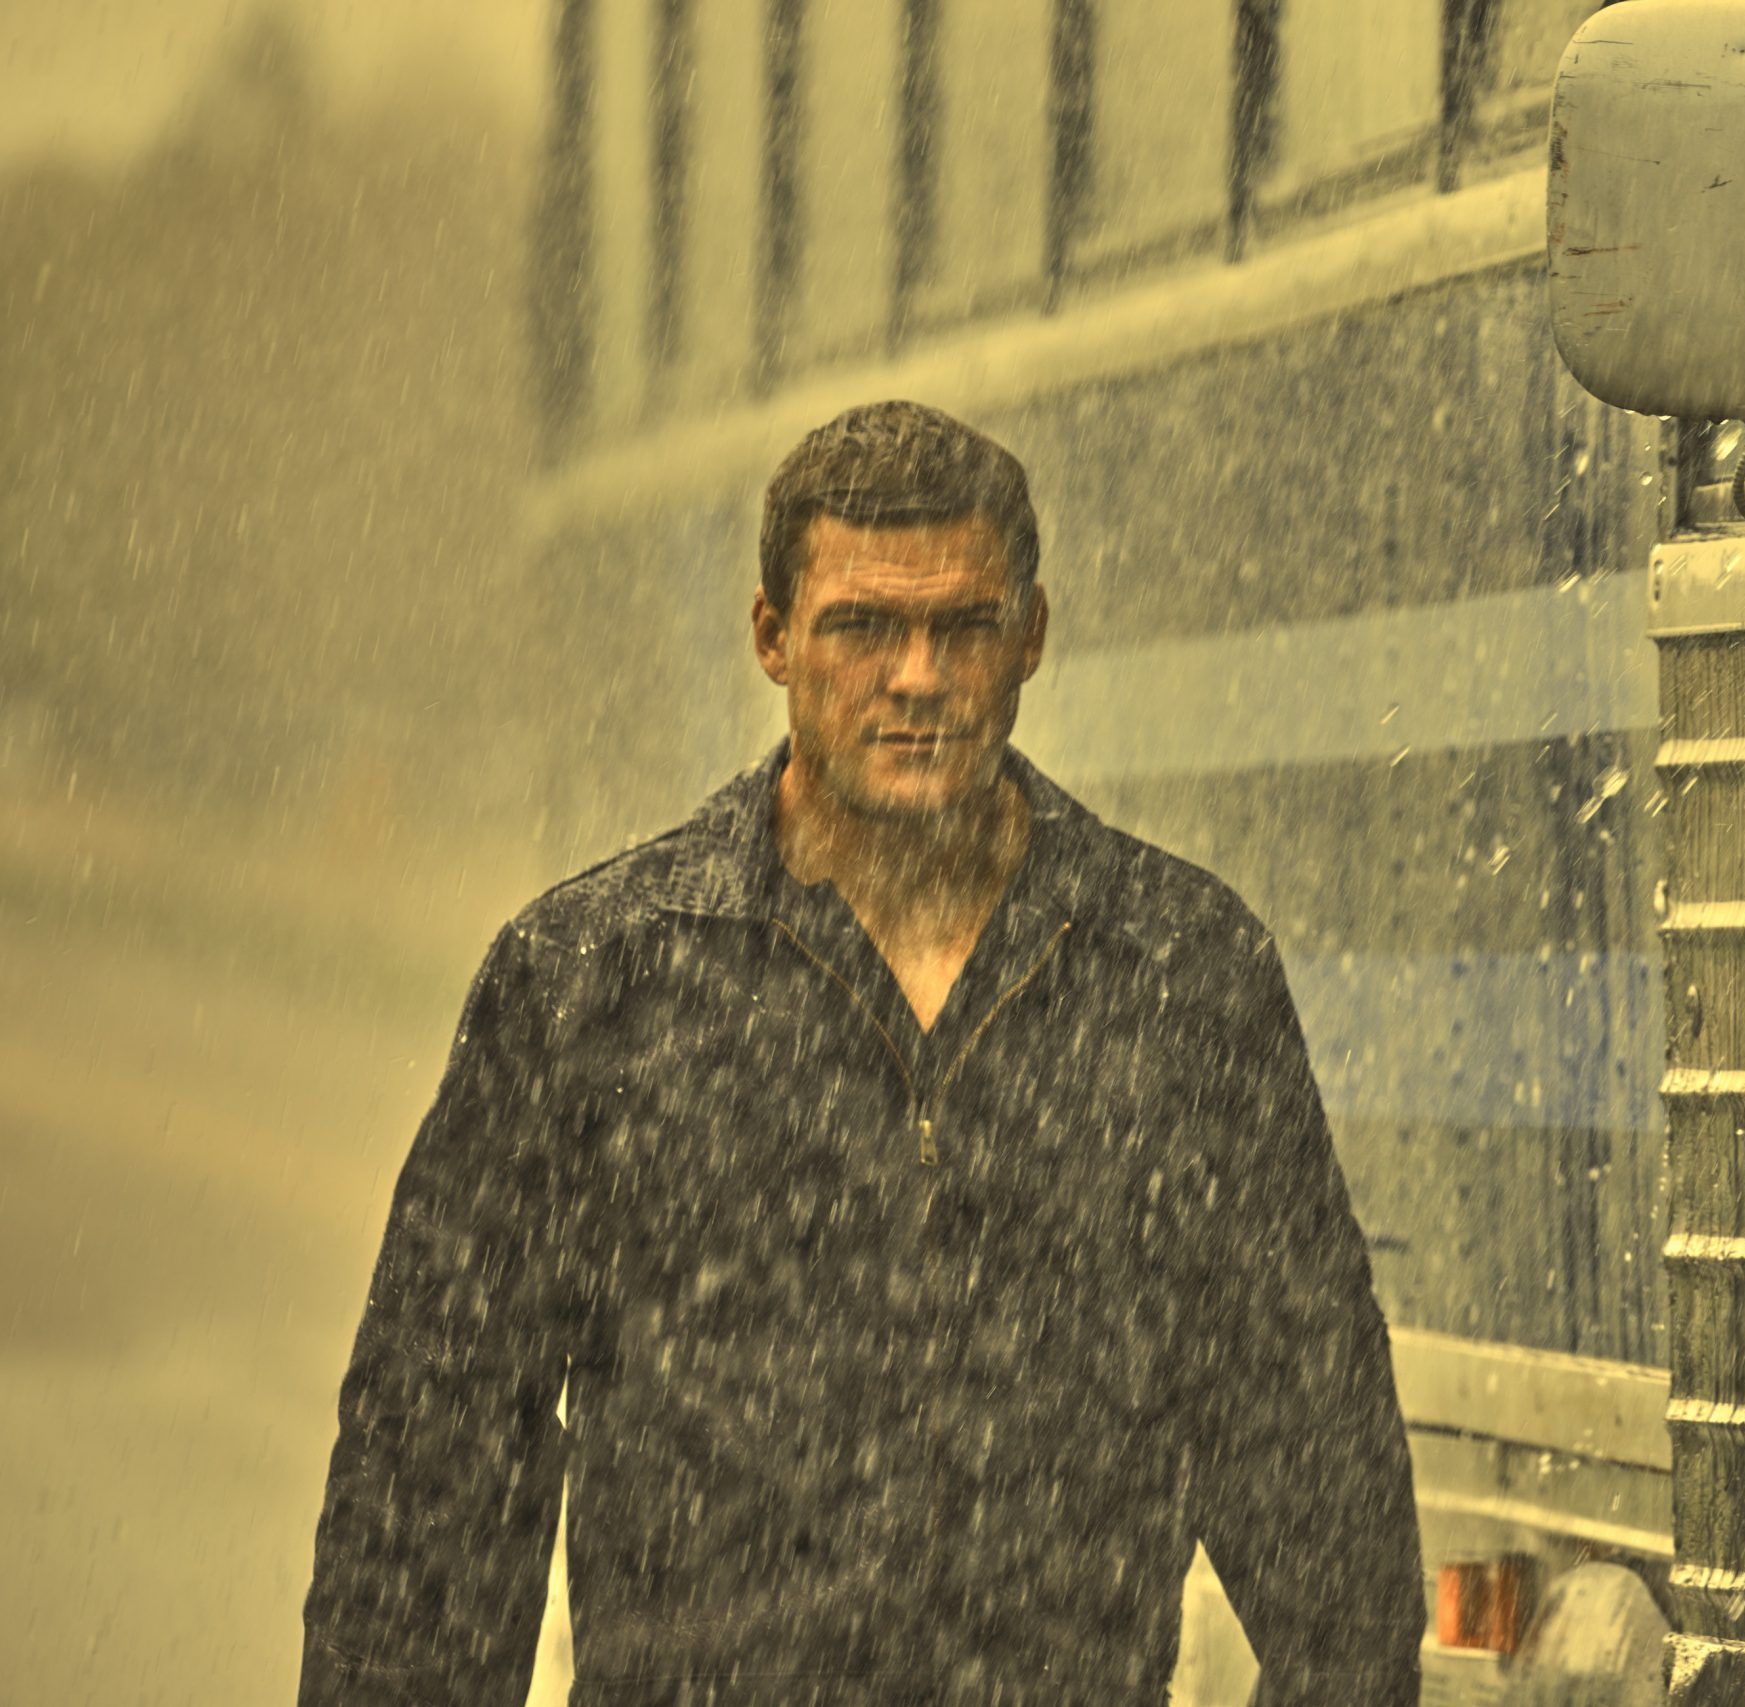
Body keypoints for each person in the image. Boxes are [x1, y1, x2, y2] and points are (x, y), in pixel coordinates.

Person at [299, 401, 1425, 1705]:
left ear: (1033, 636)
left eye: (966, 627)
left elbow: (1331, 1517)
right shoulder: (593, 989)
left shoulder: (1181, 980)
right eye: (864, 627)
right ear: (772, 637)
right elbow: (427, 1485)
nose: (918, 677)